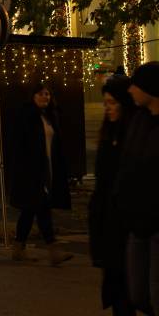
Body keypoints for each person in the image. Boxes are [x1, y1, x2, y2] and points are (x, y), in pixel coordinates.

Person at [9, 81, 72, 265]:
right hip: (31, 171)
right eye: (41, 94)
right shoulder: (27, 116)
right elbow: (20, 145)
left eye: (47, 94)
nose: (45, 97)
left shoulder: (50, 116)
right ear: (33, 96)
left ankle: (18, 248)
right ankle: (53, 250)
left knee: (30, 210)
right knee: (41, 207)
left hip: (48, 168)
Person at [92, 75, 137, 314]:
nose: (107, 108)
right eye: (105, 103)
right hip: (109, 221)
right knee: (117, 288)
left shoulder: (134, 134)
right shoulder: (108, 134)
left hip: (127, 221)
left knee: (129, 287)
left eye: (112, 103)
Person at [117, 61, 159, 313]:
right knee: (138, 293)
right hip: (137, 221)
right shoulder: (139, 120)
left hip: (155, 223)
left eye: (136, 84)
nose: (131, 89)